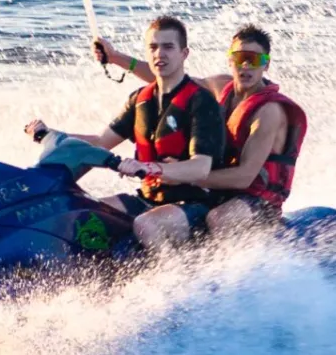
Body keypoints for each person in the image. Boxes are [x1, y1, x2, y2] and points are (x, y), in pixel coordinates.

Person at [26, 15, 225, 250]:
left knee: (146, 224)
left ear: (184, 54)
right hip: (147, 198)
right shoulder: (140, 100)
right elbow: (101, 142)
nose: (159, 54)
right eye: (153, 47)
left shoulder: (201, 102)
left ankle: (176, 282)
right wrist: (52, 135)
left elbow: (200, 167)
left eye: (168, 47)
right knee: (79, 212)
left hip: (193, 204)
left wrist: (151, 168)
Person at [93, 23, 307, 236]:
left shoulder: (269, 112)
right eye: (240, 58)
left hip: (258, 197)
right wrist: (116, 58)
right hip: (219, 188)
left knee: (219, 219)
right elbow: (168, 79)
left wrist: (182, 174)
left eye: (255, 60)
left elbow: (244, 178)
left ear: (266, 65)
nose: (246, 67)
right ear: (230, 60)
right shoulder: (221, 87)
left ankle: (226, 269)